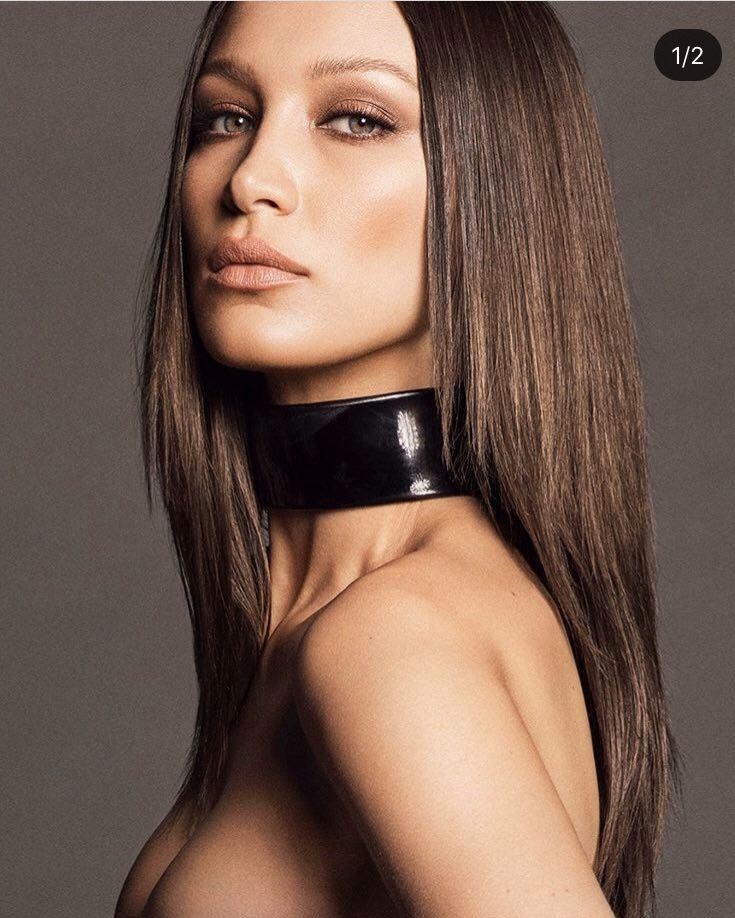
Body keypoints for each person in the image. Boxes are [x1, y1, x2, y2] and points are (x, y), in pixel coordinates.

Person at [114, 2, 682, 916]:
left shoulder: (390, 640)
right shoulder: (346, 617)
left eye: (356, 120)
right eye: (226, 117)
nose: (252, 178)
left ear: (497, 186)